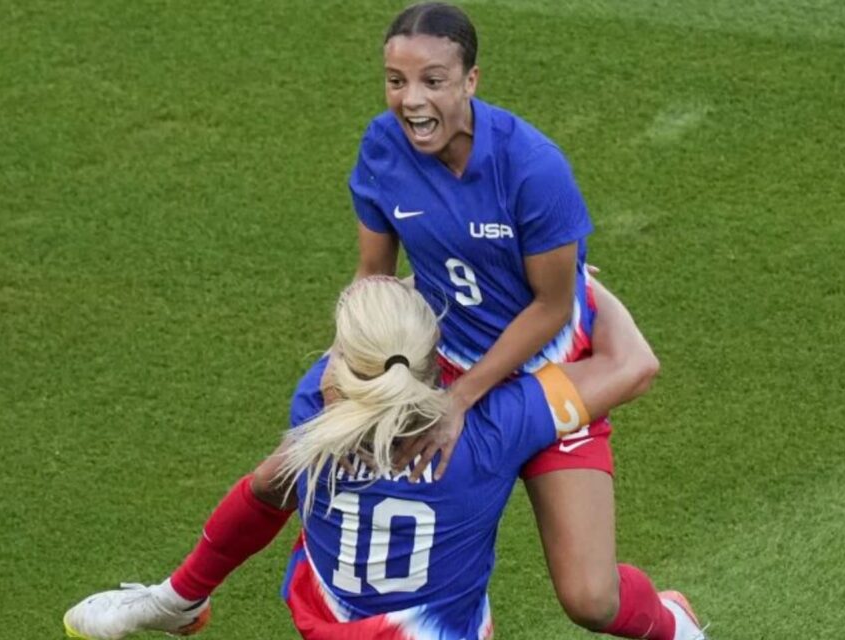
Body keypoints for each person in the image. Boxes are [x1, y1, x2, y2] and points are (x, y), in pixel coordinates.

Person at [67, 3, 707, 638]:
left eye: (432, 80)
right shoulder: (382, 149)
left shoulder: (533, 170)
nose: (410, 100)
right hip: (425, 363)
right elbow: (374, 275)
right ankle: (175, 598)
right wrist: (351, 360)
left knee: (590, 599)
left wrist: (462, 399)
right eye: (396, 80)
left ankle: (673, 623)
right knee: (281, 472)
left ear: (471, 81)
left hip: (542, 368)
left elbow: (552, 306)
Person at [65, 277, 704, 639]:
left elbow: (266, 489)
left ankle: (176, 598)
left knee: (274, 479)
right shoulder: (492, 429)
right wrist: (575, 285)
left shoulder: (313, 406)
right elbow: (632, 364)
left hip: (330, 626)